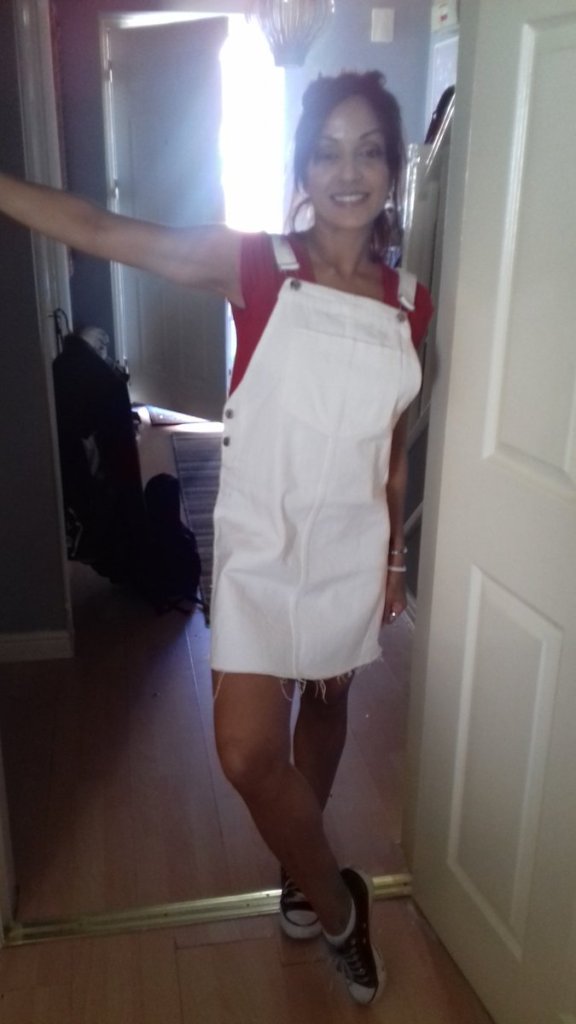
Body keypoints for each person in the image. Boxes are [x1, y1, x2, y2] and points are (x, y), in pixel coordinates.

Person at [0, 70, 432, 1005]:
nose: (347, 171)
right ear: (303, 168)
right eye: (328, 151)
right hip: (261, 546)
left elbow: (390, 446)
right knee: (243, 753)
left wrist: (394, 557)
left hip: (350, 546)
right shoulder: (256, 267)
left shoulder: (410, 302)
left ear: (392, 170)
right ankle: (339, 904)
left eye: (368, 151)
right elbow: (102, 228)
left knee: (328, 700)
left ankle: (299, 874)